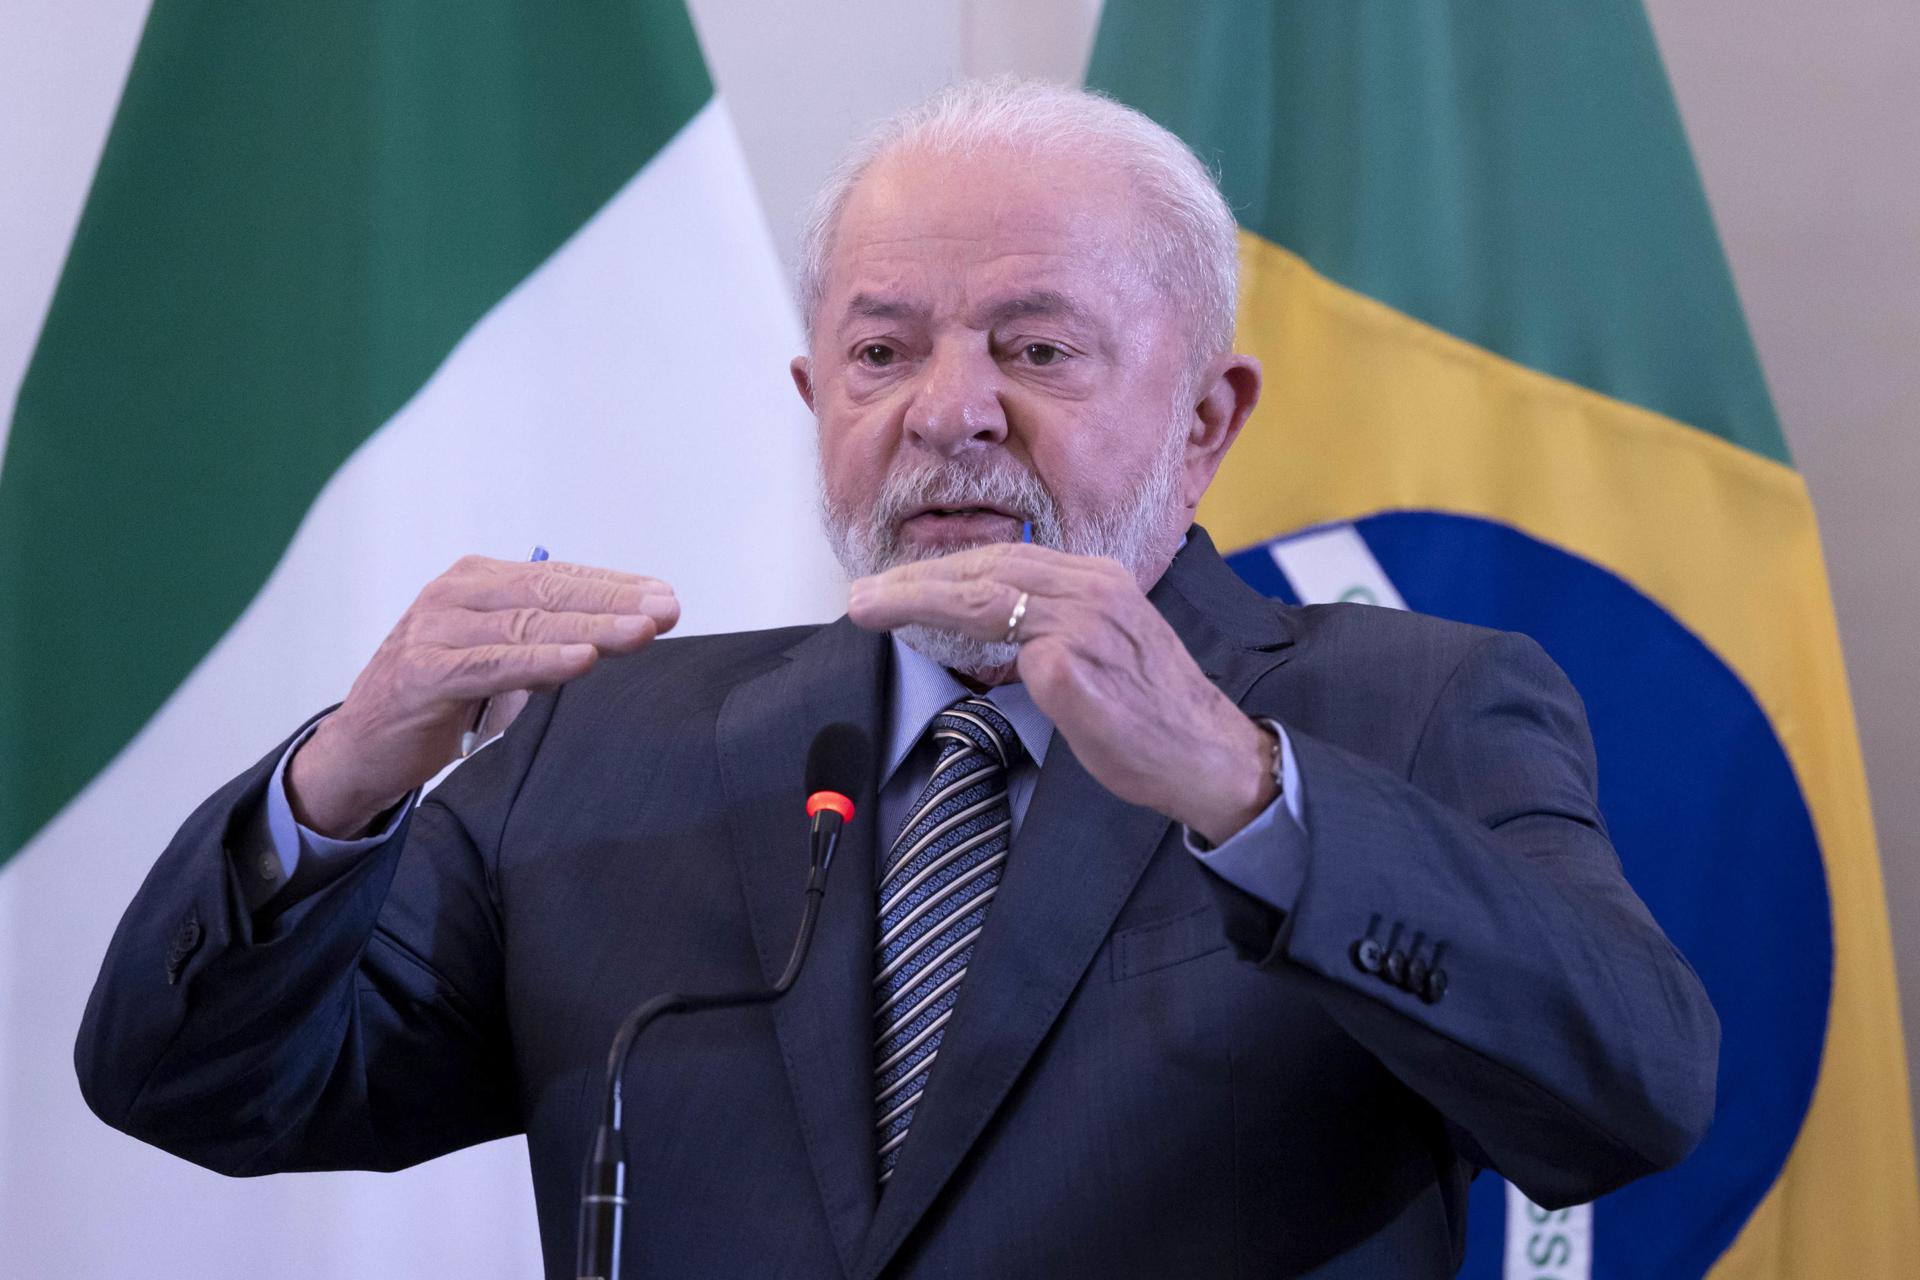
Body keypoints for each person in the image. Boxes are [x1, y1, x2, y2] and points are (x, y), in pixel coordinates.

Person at [76, 79, 1718, 1279]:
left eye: (1036, 347)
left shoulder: (1407, 710)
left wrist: (1241, 791)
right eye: (882, 352)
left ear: (1207, 419)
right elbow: (201, 1088)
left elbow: (1630, 1093)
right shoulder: (608, 742)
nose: (951, 412)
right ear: (816, 396)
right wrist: (343, 781)